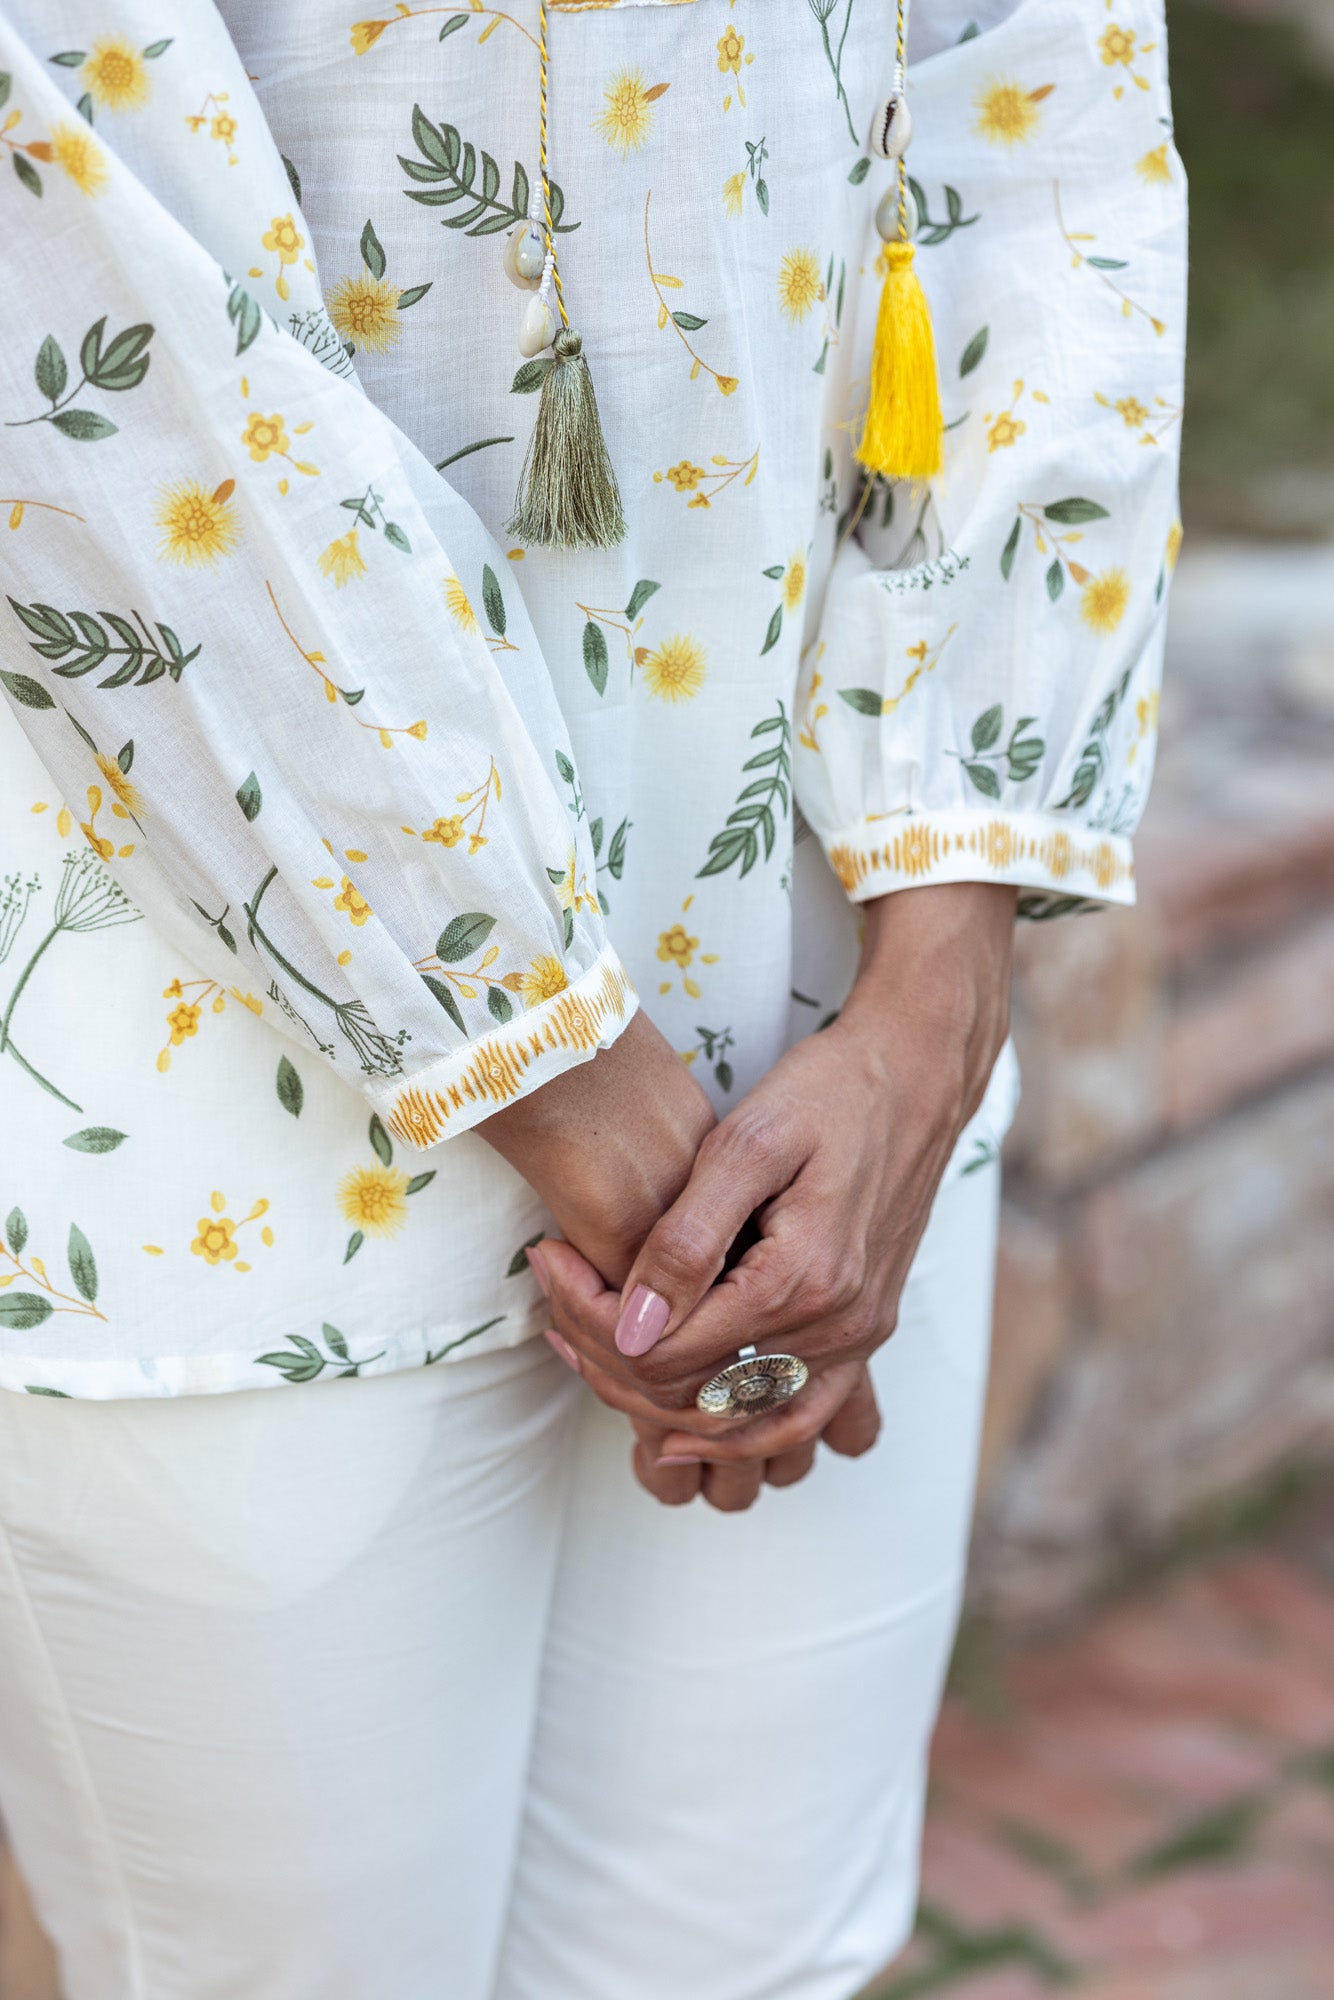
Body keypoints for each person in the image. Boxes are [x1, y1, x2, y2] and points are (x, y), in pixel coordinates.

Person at [0, 0, 1185, 1992]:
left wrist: (936, 968)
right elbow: (68, 285)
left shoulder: (883, 1032)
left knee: (750, 1962)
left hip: (832, 1046)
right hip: (229, 1052)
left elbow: (1045, 105)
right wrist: (562, 1068)